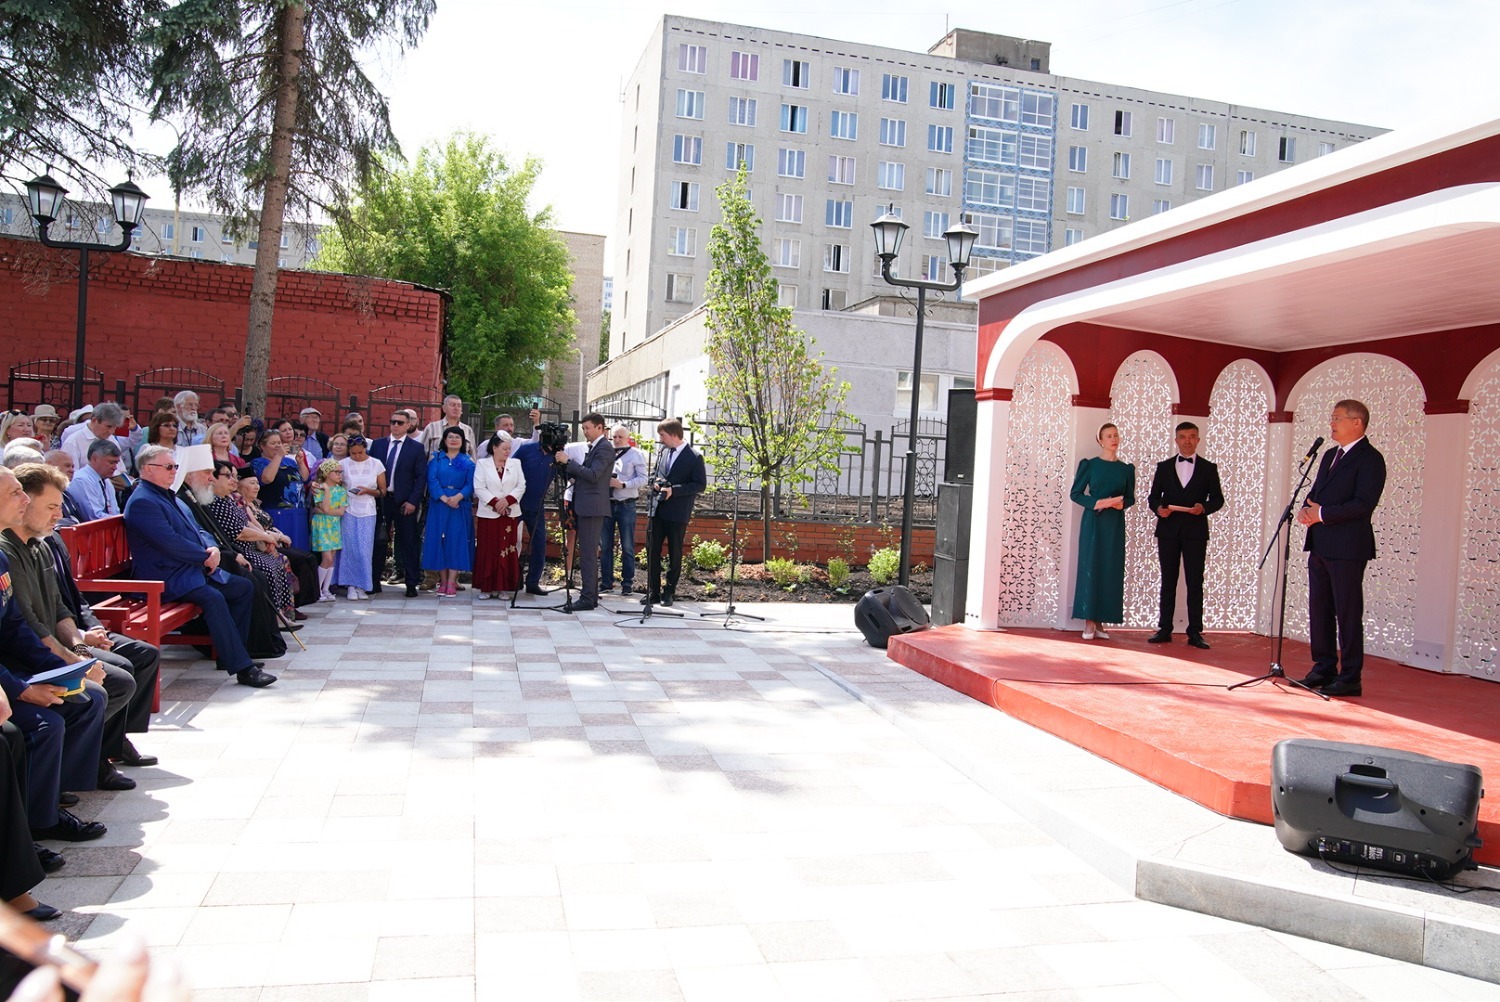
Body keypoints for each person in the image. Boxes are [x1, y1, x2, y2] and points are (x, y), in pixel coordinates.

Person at [1, 463, 151, 792]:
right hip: (23, 660)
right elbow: (27, 625)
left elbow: (59, 607)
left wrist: (80, 650)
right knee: (104, 688)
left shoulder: (40, 544)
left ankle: (93, 758)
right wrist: (74, 663)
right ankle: (80, 770)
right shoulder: (6, 551)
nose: (59, 515)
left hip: (44, 649)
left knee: (130, 666)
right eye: (51, 507)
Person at [0, 468, 109, 845]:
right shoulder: (6, 551)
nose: (24, 500)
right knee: (44, 725)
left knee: (85, 699)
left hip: (13, 669)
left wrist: (66, 668)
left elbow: (14, 626)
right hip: (6, 677)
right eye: (15, 494)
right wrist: (21, 689)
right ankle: (32, 828)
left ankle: (50, 805)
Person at [122, 445, 276, 688]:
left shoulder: (167, 495)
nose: (174, 471)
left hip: (186, 569)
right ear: (148, 469)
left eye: (175, 466)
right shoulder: (143, 501)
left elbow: (199, 530)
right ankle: (243, 669)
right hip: (164, 576)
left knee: (243, 587)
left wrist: (212, 549)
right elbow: (169, 542)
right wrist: (204, 557)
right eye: (168, 467)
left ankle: (232, 654)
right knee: (213, 597)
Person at [1296, 399, 1387, 697]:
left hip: (1348, 547)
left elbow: (1363, 504)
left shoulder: (1370, 459)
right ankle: (1323, 667)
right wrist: (1306, 509)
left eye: (1337, 418)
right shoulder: (1329, 455)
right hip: (1320, 543)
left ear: (1357, 422)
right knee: (1320, 608)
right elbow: (1316, 492)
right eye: (1332, 417)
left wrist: (1321, 514)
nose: (1332, 423)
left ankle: (1350, 676)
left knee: (1347, 611)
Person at [1146, 422, 1223, 649]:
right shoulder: (1163, 467)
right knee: (1168, 580)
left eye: (1191, 436)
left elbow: (1218, 499)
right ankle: (1164, 628)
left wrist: (1204, 508)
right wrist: (1159, 509)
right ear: (1176, 440)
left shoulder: (1209, 468)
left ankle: (1195, 632)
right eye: (1182, 436)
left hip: (1196, 532)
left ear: (1198, 439)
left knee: (1195, 582)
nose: (1187, 440)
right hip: (1168, 531)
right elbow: (1153, 497)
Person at [1069, 422, 1135, 640]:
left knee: (1110, 568)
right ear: (1100, 440)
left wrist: (1122, 504)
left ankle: (1100, 621)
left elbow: (1130, 497)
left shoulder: (1126, 469)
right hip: (1094, 522)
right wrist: (1097, 503)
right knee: (1091, 565)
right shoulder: (1090, 465)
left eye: (1116, 435)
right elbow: (1076, 494)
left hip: (1114, 523)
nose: (1113, 439)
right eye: (1108, 436)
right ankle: (1089, 620)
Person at [643, 419, 706, 607]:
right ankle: (653, 592)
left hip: (677, 513)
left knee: (674, 552)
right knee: (652, 550)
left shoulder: (694, 457)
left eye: (662, 435)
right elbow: (653, 473)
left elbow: (700, 484)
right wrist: (655, 482)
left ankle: (669, 592)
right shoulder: (663, 452)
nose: (660, 439)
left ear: (673, 435)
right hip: (657, 510)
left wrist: (674, 490)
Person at [555, 414, 614, 611]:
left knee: (588, 554)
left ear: (600, 428)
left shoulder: (604, 448)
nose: (585, 432)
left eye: (588, 428)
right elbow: (584, 475)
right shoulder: (594, 447)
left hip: (592, 507)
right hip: (586, 505)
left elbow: (594, 475)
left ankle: (588, 598)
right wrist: (566, 468)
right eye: (583, 428)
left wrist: (569, 461)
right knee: (587, 552)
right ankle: (591, 596)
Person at [369, 413, 426, 597]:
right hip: (381, 500)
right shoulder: (378, 445)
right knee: (378, 541)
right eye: (392, 422)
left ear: (408, 425)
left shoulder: (416, 448)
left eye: (400, 422)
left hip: (404, 501)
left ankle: (411, 583)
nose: (395, 425)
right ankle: (373, 582)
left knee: (408, 542)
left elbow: (421, 478)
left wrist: (413, 501)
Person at [423, 428, 475, 596]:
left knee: (456, 541)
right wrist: (444, 498)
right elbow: (432, 479)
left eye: (457, 437)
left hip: (459, 505)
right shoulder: (437, 459)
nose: (453, 439)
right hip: (439, 504)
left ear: (463, 441)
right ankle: (443, 581)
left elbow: (471, 483)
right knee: (439, 540)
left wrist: (458, 497)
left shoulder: (467, 461)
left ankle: (452, 581)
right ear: (444, 440)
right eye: (450, 437)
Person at [473, 432, 524, 599]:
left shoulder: (515, 463)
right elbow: (479, 487)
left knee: (507, 548)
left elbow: (521, 485)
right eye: (504, 448)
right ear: (494, 448)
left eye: (509, 448)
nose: (508, 451)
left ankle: (503, 587)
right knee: (488, 549)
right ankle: (486, 587)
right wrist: (496, 503)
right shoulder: (483, 464)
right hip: (489, 514)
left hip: (509, 513)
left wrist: (507, 501)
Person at [336, 436, 385, 600]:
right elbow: (335, 484)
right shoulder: (343, 464)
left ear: (366, 449)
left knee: (364, 550)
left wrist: (368, 491)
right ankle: (350, 585)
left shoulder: (376, 464)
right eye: (353, 453)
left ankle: (362, 585)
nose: (357, 456)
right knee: (349, 548)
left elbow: (382, 491)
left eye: (360, 453)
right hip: (348, 509)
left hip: (368, 511)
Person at [602, 425, 647, 597]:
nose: (617, 440)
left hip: (626, 504)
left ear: (628, 438)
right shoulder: (606, 453)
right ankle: (606, 582)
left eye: (620, 437)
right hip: (607, 504)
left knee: (627, 545)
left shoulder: (636, 454)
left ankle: (627, 583)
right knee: (605, 545)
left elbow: (643, 479)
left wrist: (623, 484)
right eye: (614, 437)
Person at [510, 433, 557, 596]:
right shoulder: (526, 450)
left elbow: (569, 476)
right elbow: (510, 469)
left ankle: (533, 582)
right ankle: (513, 578)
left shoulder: (557, 456)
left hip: (537, 506)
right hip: (516, 503)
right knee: (510, 541)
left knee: (539, 543)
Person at [251, 432, 309, 551]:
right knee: (283, 549)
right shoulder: (258, 462)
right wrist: (278, 456)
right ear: (262, 446)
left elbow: (304, 478)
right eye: (273, 443)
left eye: (279, 443)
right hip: (277, 513)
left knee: (301, 550)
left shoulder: (290, 462)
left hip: (298, 513)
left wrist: (300, 462)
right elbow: (267, 479)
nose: (278, 446)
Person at [309, 459, 347, 601]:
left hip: (334, 525)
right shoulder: (319, 489)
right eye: (336, 472)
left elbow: (340, 511)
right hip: (322, 525)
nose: (339, 475)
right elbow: (324, 507)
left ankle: (326, 589)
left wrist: (322, 511)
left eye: (341, 472)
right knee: (327, 558)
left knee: (332, 559)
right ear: (327, 473)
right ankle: (317, 590)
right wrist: (326, 490)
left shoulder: (341, 490)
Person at [66, 439, 125, 522]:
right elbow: (94, 517)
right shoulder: (82, 481)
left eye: (116, 463)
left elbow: (115, 512)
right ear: (94, 458)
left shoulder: (106, 481)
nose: (115, 467)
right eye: (112, 462)